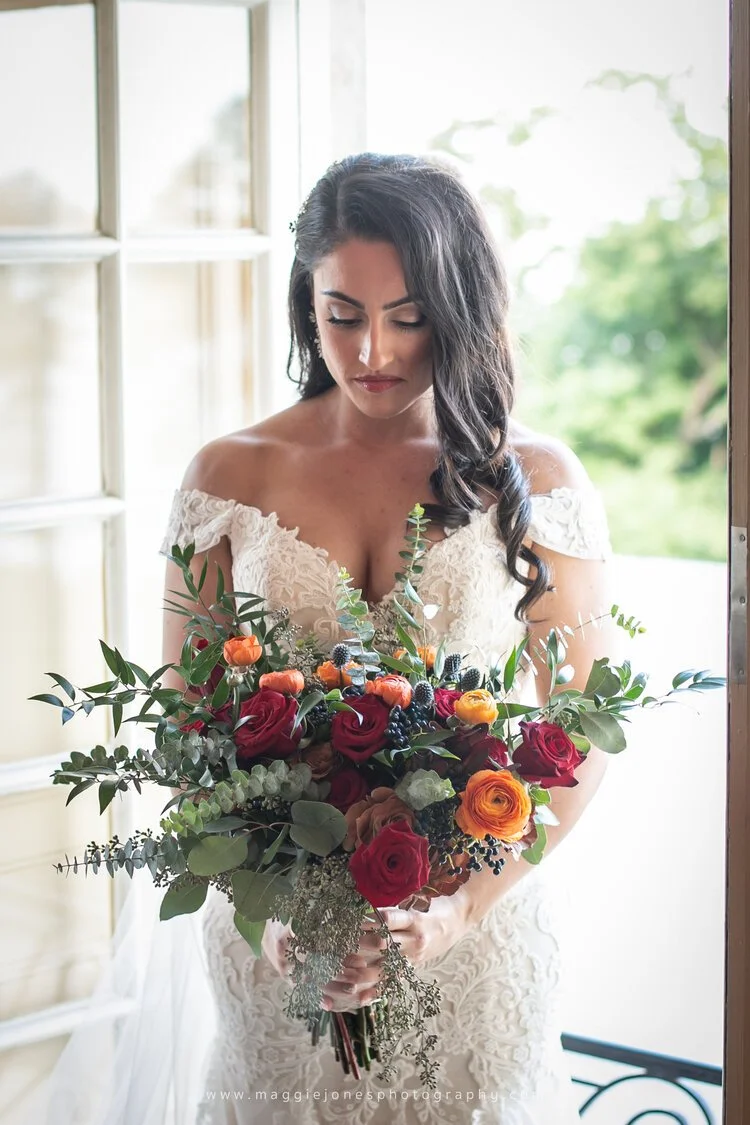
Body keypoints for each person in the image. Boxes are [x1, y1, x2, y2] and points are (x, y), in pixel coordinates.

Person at [156, 152, 618, 1123]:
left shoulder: (539, 475)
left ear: (458, 306)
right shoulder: (228, 476)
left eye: (408, 317)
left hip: (472, 938)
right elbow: (186, 727)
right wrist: (269, 904)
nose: (374, 351)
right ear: (305, 301)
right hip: (281, 949)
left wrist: (458, 909)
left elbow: (581, 730)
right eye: (343, 314)